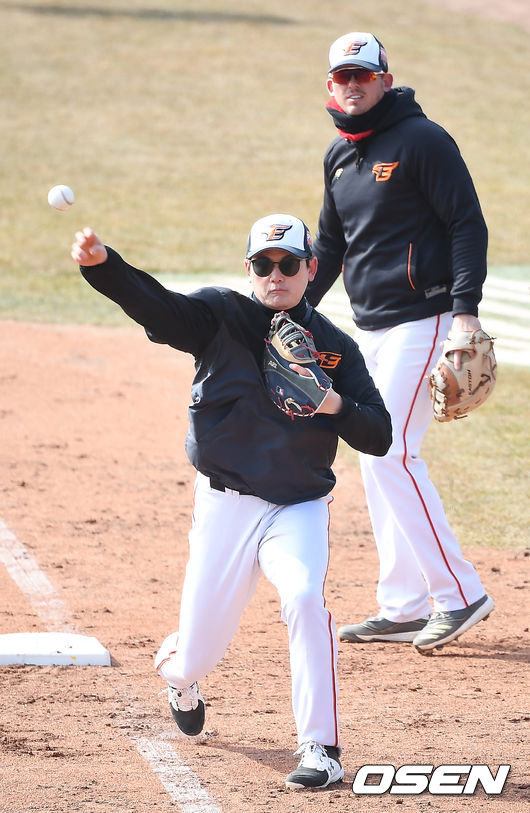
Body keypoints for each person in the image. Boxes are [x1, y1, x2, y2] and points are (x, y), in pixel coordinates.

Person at [71, 213, 392, 789]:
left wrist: (332, 405)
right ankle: (180, 675)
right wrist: (106, 269)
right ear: (250, 270)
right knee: (196, 654)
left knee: (303, 599)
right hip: (225, 508)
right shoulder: (221, 316)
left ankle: (320, 748)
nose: (276, 275)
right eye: (264, 264)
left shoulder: (335, 348)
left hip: (297, 507)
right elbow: (160, 308)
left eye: (289, 264)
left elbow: (379, 433)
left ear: (310, 270)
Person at [306, 32, 494, 654]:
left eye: (363, 74)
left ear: (385, 79)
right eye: (342, 76)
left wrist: (464, 314)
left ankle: (458, 593)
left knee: (390, 453)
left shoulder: (423, 140)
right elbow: (331, 247)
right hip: (373, 327)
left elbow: (467, 222)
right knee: (375, 454)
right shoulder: (340, 156)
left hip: (426, 317)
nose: (353, 84)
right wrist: (295, 312)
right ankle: (406, 605)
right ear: (329, 86)